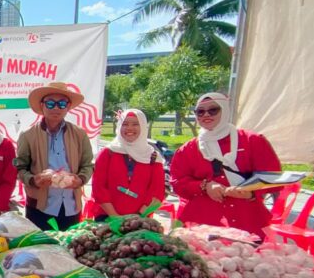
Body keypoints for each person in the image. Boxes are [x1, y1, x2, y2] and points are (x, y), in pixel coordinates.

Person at [171, 92, 281, 238]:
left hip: (247, 220)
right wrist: (205, 186)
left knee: (247, 259)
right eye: (200, 111)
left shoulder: (252, 141)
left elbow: (273, 178)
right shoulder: (187, 149)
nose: (206, 115)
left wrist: (251, 192)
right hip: (201, 223)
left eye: (213, 110)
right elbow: (178, 183)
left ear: (225, 110)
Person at [14, 82, 94, 231]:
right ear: (42, 105)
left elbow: (88, 164)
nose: (56, 108)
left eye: (61, 103)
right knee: (40, 250)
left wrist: (80, 179)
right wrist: (33, 180)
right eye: (50, 103)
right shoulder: (28, 135)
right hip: (39, 207)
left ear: (68, 106)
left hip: (71, 206)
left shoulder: (79, 134)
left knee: (69, 250)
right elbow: (19, 167)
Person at [88, 109, 166, 220]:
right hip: (107, 218)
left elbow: (157, 191)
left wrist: (137, 218)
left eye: (135, 124)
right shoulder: (108, 152)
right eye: (125, 124)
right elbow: (98, 187)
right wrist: (115, 217)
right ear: (119, 126)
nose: (129, 128)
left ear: (143, 127)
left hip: (140, 220)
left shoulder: (152, 156)